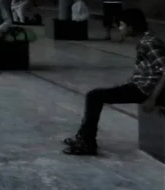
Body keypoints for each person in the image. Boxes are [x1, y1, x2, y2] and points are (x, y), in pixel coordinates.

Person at [63, 9, 165, 156]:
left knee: (94, 96)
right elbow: (146, 71)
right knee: (96, 95)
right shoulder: (145, 40)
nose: (120, 29)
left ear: (131, 26)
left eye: (121, 25)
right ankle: (83, 137)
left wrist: (152, 99)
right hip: (139, 86)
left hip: (146, 91)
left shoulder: (151, 43)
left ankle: (87, 143)